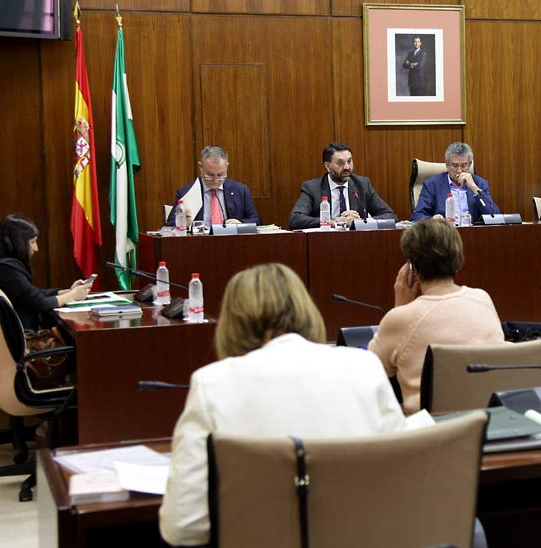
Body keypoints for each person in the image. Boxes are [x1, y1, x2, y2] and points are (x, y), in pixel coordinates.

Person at [159, 263, 405, 546]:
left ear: (233, 322)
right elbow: (400, 478)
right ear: (305, 309)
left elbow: (183, 527)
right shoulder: (364, 366)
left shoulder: (211, 383)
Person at [368, 218, 505, 414]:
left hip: (427, 432)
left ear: (412, 268)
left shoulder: (400, 319)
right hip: (484, 423)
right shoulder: (482, 299)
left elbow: (371, 372)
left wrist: (398, 308)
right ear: (458, 258)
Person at [0, 215, 92, 367]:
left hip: (8, 346)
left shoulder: (2, 266)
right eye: (33, 242)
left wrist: (66, 292)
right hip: (14, 352)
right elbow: (39, 303)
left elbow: (32, 294)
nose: (36, 249)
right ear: (18, 243)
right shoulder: (5, 269)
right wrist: (72, 296)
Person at [288, 141, 397, 229]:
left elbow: (390, 216)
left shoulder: (363, 185)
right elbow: (295, 219)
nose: (347, 167)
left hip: (358, 241)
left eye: (349, 161)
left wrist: (362, 222)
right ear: (327, 166)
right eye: (340, 163)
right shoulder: (312, 188)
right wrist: (333, 221)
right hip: (324, 243)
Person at [167, 146, 260, 227]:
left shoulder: (240, 190)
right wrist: (184, 223)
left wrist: (241, 223)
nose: (215, 180)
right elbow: (170, 224)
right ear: (201, 167)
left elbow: (256, 220)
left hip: (232, 242)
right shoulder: (186, 192)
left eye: (220, 175)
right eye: (210, 175)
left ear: (227, 167)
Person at [411, 142, 501, 222]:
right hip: (444, 235)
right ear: (447, 165)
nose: (459, 171)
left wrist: (474, 188)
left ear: (470, 164)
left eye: (464, 165)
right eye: (455, 165)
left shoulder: (480, 183)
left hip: (473, 234)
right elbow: (417, 216)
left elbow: (495, 216)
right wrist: (432, 220)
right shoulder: (432, 185)